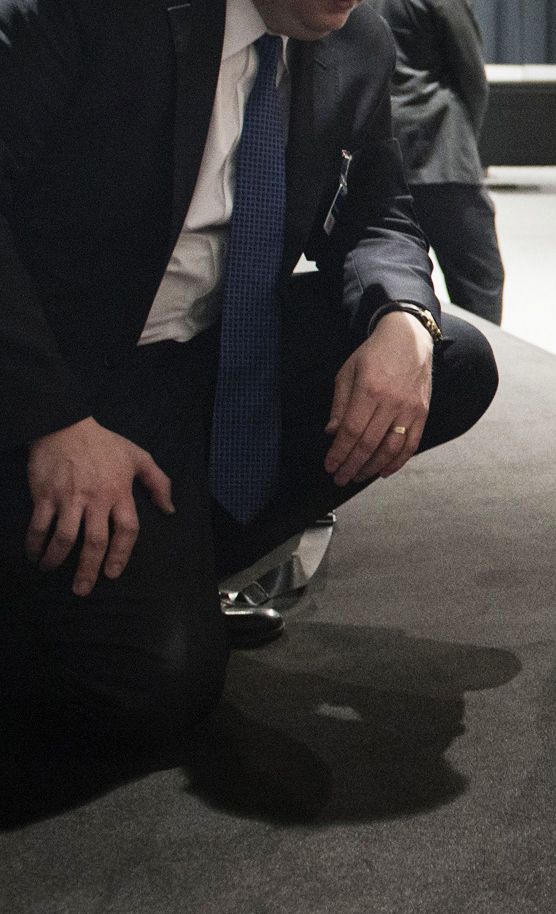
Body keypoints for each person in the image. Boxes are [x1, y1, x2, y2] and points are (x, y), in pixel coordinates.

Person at [0, 0, 499, 814]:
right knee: (159, 685)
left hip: (207, 357)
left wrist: (403, 318)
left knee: (452, 361)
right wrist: (51, 419)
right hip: (60, 375)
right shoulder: (88, 14)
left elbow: (379, 211)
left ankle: (186, 557)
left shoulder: (356, 39)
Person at [369, 0, 506, 324]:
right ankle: (476, 367)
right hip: (442, 148)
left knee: (391, 275)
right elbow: (472, 76)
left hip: (381, 141)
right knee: (479, 280)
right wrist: (464, 137)